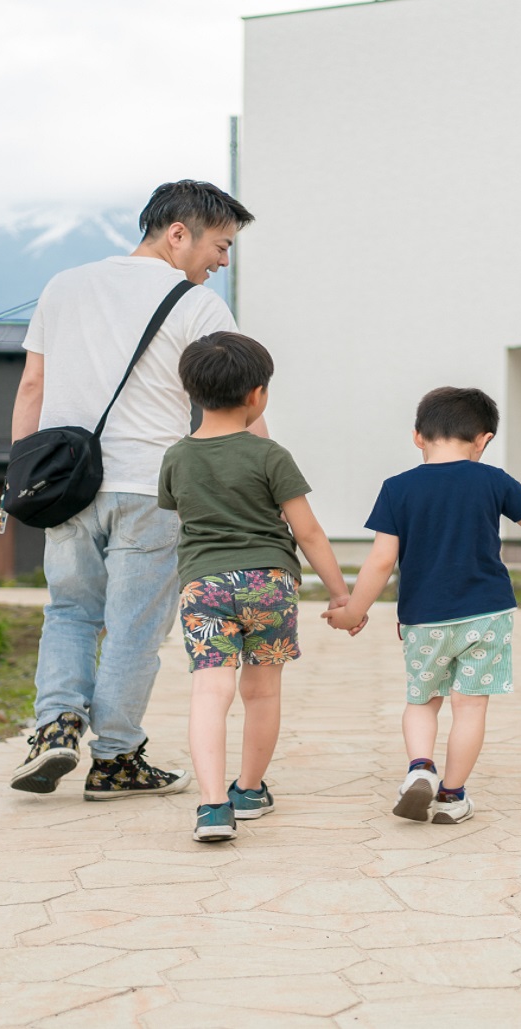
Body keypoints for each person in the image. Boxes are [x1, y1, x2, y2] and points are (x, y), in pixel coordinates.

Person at [9, 180, 257, 800]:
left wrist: (22, 477)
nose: (222, 262)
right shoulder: (199, 307)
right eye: (220, 246)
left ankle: (56, 726)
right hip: (153, 489)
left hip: (66, 487)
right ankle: (116, 758)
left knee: (69, 611)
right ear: (179, 234)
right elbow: (232, 406)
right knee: (134, 630)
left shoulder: (63, 285)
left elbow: (32, 387)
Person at [325, 388, 521, 824]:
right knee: (470, 706)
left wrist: (354, 612)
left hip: (422, 619)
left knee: (422, 700)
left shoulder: (397, 488)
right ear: (483, 440)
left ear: (417, 437)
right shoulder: (494, 481)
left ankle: (420, 768)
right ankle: (451, 797)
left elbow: (381, 560)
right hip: (486, 615)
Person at [158, 332, 351, 842]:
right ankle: (247, 790)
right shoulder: (270, 455)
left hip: (203, 587)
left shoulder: (176, 458)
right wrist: (339, 593)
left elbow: (183, 520)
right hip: (268, 584)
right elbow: (307, 531)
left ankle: (212, 805)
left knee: (210, 691)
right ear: (257, 395)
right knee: (261, 692)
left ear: (191, 394)